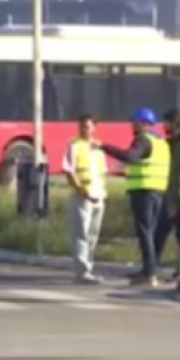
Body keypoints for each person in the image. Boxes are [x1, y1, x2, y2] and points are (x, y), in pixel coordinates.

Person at [97, 107, 170, 286]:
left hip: (144, 192)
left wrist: (104, 147)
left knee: (144, 232)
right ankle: (148, 269)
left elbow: (131, 157)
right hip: (159, 191)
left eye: (135, 121)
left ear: (144, 123)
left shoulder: (142, 140)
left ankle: (149, 273)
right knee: (151, 233)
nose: (132, 125)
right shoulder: (161, 142)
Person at [61, 114, 107, 284]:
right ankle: (82, 272)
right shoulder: (74, 145)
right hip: (82, 195)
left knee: (93, 235)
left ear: (95, 127)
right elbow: (68, 170)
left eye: (87, 127)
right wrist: (79, 188)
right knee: (80, 234)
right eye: (81, 127)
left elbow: (102, 172)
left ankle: (89, 267)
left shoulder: (98, 148)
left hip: (99, 195)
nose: (84, 130)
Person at [156, 109, 180, 285]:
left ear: (173, 123)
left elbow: (178, 172)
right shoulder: (178, 142)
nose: (164, 127)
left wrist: (173, 200)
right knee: (179, 235)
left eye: (166, 123)